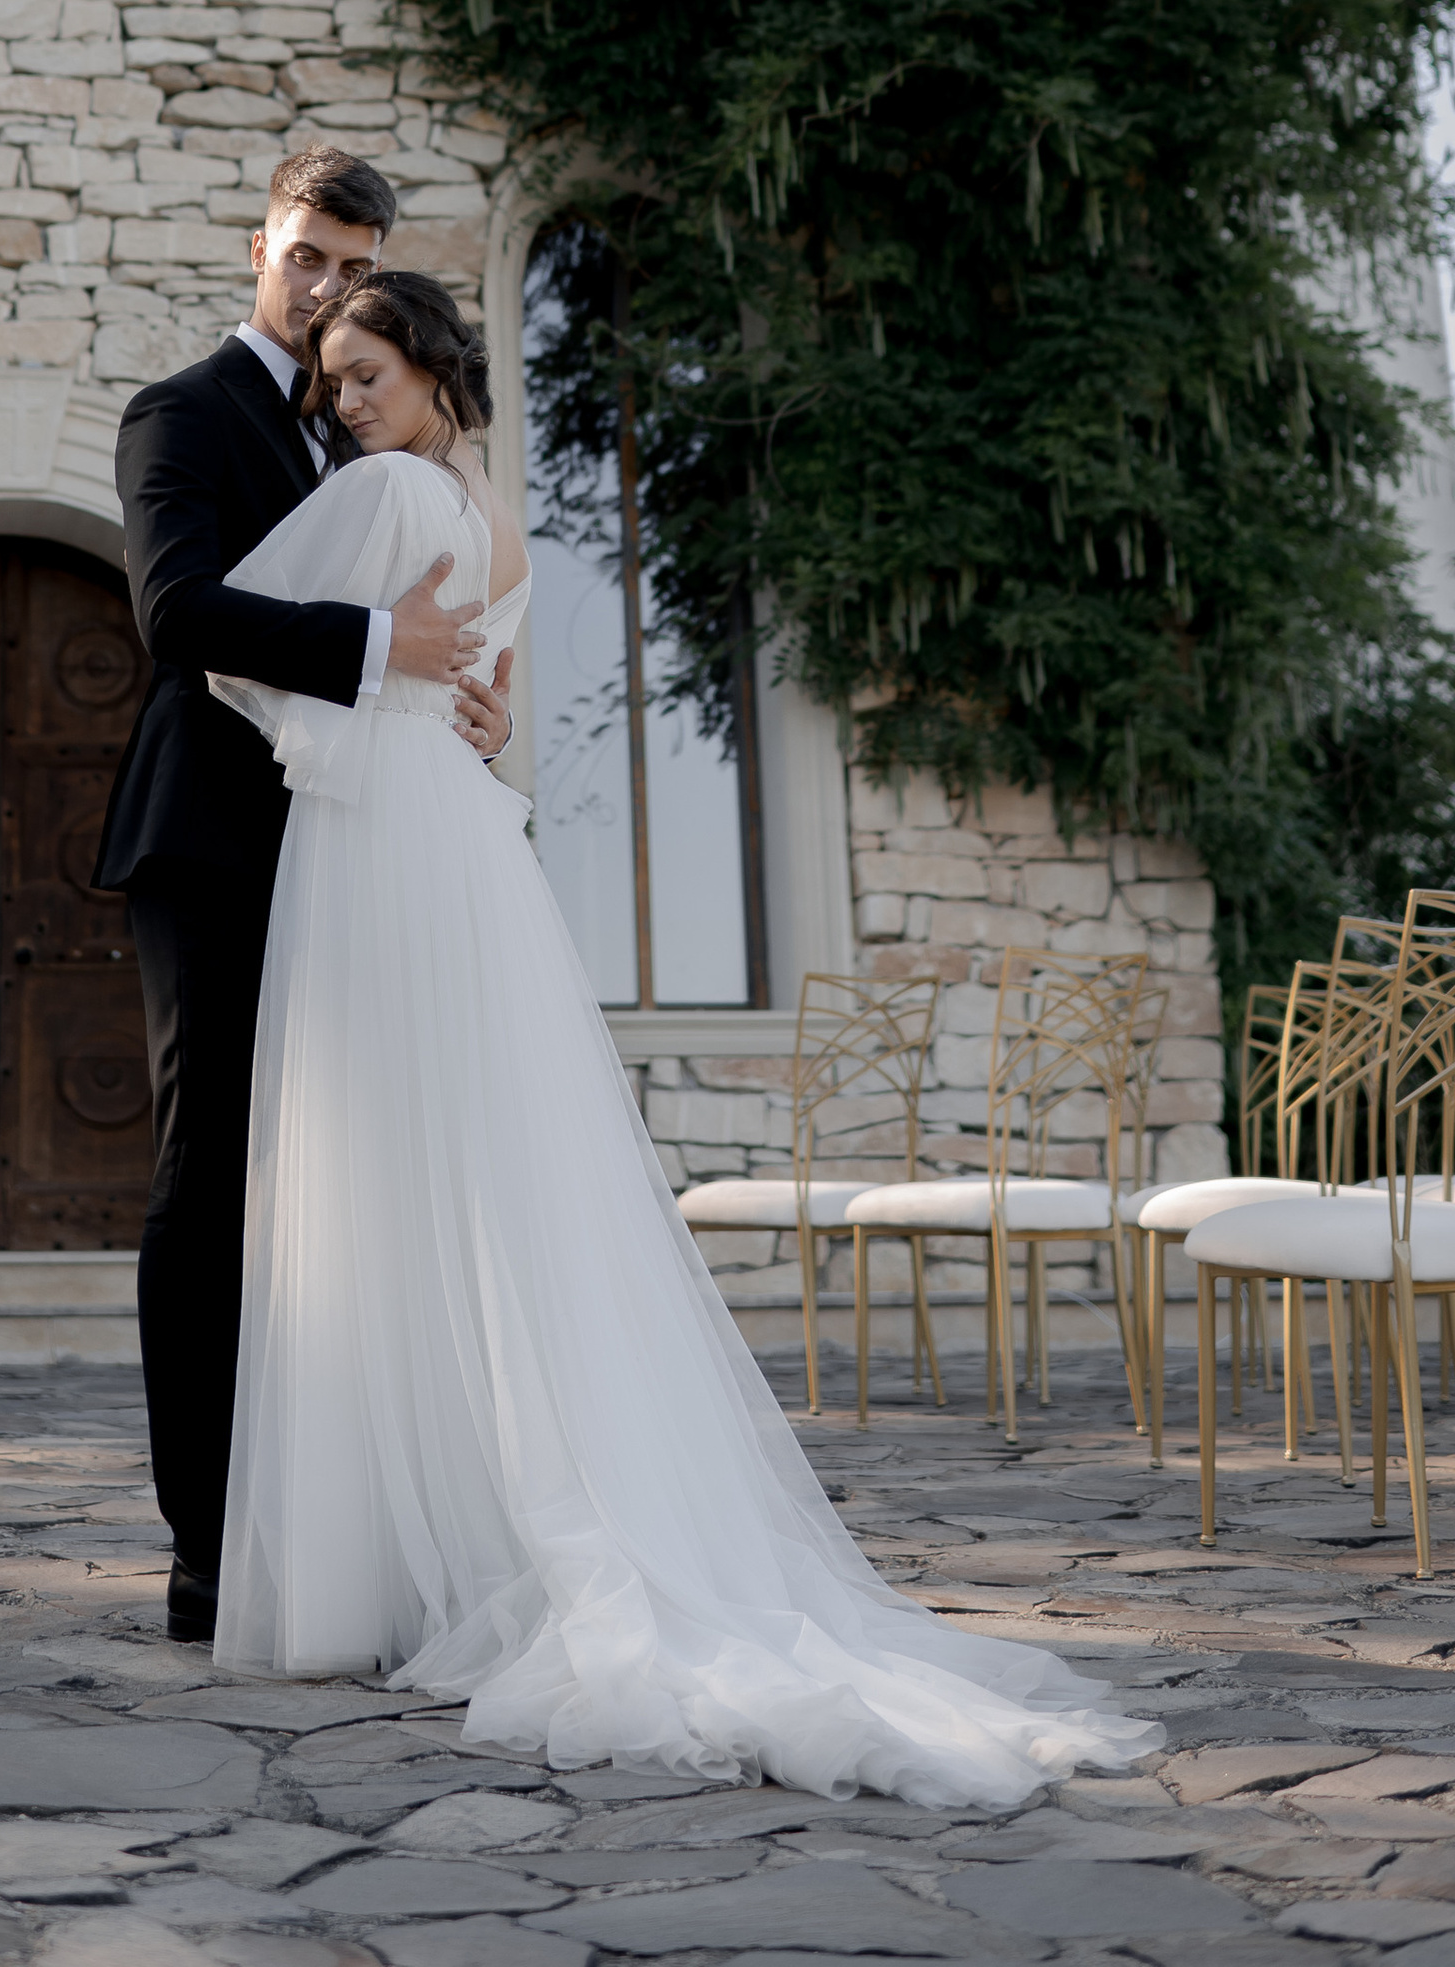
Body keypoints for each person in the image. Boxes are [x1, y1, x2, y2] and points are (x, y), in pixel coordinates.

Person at [205, 271, 1158, 1807]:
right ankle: (472, 1536)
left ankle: (368, 1571)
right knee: (481, 1178)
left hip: (381, 840)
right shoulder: (500, 523)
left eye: (368, 371)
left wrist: (346, 692)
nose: (348, 404)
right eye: (333, 382)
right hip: (465, 844)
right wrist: (419, 692)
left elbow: (232, 644)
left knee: (377, 1172)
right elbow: (483, 696)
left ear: (435, 369)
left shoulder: (383, 494)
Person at [95, 146, 513, 1643]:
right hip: (210, 844)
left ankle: (341, 1529)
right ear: (260, 248)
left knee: (350, 1188)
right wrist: (380, 650)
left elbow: (436, 626)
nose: (329, 286)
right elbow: (176, 612)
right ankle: (210, 1546)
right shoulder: (182, 413)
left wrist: (465, 709)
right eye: (308, 256)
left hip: (354, 848)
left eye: (356, 265)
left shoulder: (366, 426)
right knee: (210, 1181)